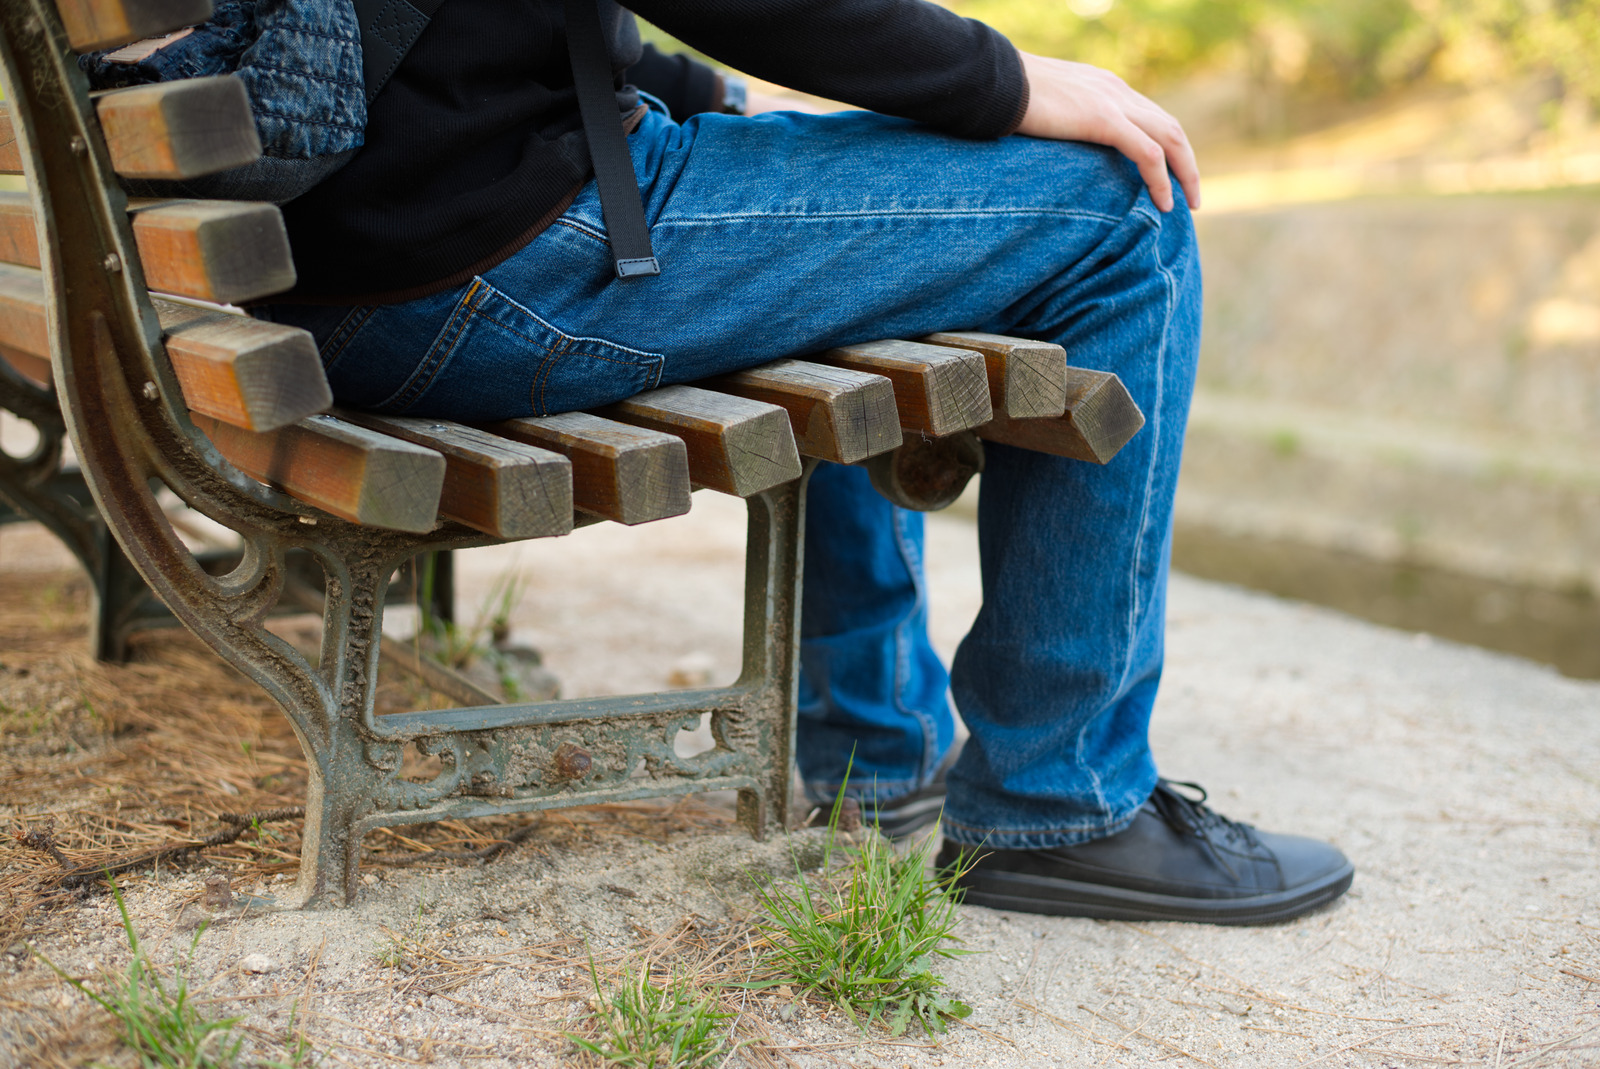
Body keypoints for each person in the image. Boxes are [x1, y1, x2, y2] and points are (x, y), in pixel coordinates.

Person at [255, 0, 1353, 924]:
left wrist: (722, 99)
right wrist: (1002, 78)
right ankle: (1061, 795)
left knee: (832, 225)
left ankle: (875, 747)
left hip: (343, 280)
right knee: (1123, 205)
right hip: (495, 269)